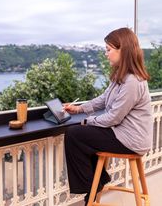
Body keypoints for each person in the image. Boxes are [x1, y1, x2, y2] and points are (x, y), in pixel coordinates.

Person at [63, 27, 153, 205]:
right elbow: (103, 100)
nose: (106, 54)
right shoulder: (121, 76)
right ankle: (98, 181)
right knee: (85, 137)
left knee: (75, 134)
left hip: (132, 140)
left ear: (123, 50)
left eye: (108, 49)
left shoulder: (132, 81)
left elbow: (113, 118)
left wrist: (87, 121)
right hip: (122, 134)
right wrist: (79, 109)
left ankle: (93, 185)